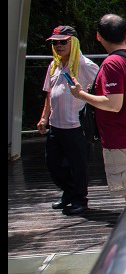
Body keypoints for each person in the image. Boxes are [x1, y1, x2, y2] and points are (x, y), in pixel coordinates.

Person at [70, 13, 126, 203]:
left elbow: (113, 104)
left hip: (121, 140)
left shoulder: (112, 64)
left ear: (98, 36)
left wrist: (80, 94)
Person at [37, 25, 99, 216]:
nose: (59, 45)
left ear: (73, 42)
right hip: (56, 124)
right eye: (55, 42)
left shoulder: (85, 65)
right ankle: (69, 192)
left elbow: (102, 89)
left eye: (63, 41)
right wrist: (44, 117)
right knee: (53, 163)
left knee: (78, 164)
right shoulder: (54, 65)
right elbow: (49, 94)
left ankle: (79, 199)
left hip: (76, 124)